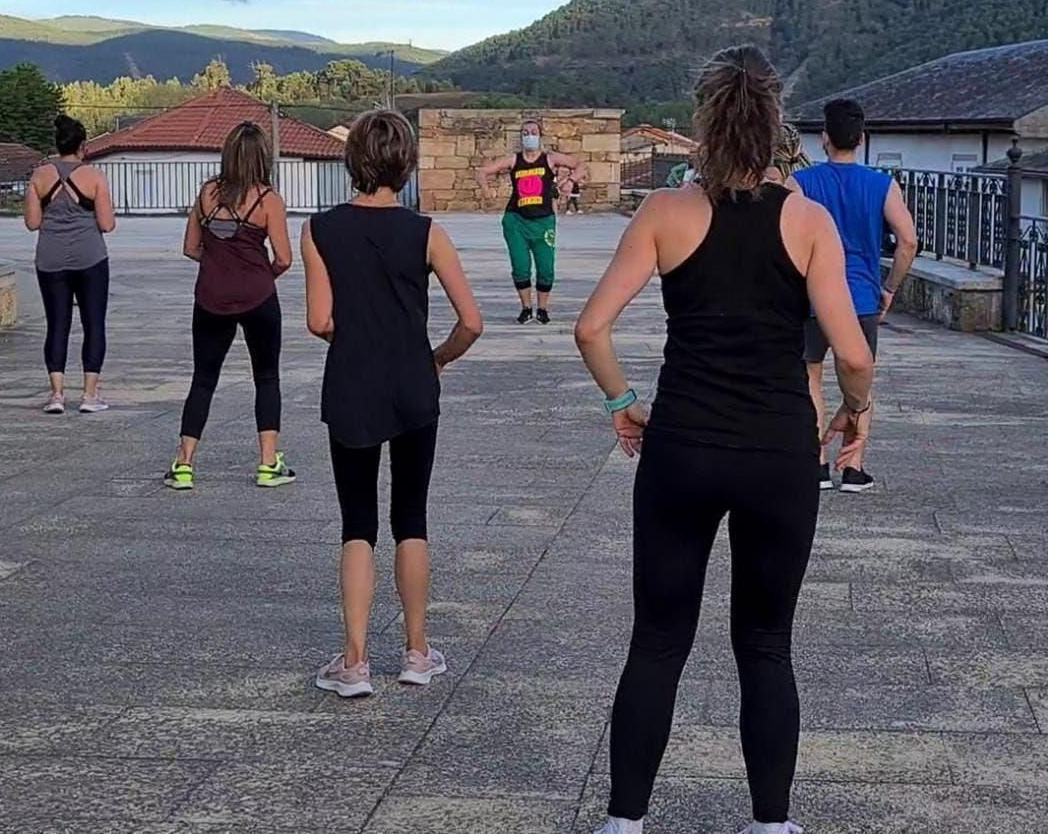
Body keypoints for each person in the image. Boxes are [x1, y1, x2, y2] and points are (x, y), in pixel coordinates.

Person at [574, 45, 875, 834]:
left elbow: (591, 327)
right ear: (777, 125)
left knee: (659, 640)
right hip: (779, 450)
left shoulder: (666, 214)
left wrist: (625, 401)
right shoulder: (807, 221)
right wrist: (851, 412)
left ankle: (624, 822)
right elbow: (852, 352)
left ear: (704, 124)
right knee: (767, 645)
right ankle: (771, 824)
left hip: (682, 447)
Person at [302, 110, 483, 699]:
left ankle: (353, 664)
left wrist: (360, 339)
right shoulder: (428, 232)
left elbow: (319, 320)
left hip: (352, 381)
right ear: (406, 166)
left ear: (352, 161)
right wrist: (436, 359)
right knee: (412, 516)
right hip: (413, 385)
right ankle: (416, 650)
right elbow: (471, 322)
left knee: (357, 521)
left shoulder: (319, 230)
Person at [788, 98, 917, 493]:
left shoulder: (802, 183)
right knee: (860, 380)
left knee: (810, 374)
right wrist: (889, 288)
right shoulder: (882, 184)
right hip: (861, 298)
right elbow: (908, 241)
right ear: (861, 139)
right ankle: (854, 466)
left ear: (824, 138)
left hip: (811, 298)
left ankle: (817, 464)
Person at [165, 122, 296, 490]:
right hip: (259, 297)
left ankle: (184, 464)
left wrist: (220, 265)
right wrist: (259, 273)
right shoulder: (269, 200)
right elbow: (284, 258)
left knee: (203, 379)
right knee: (266, 377)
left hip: (210, 297)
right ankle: (269, 464)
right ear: (261, 158)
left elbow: (191, 248)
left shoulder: (207, 194)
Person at [25, 113, 116, 414]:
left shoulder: (39, 176)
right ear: (83, 146)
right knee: (94, 324)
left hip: (50, 259)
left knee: (57, 325)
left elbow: (32, 222)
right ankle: (90, 395)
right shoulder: (94, 177)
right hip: (90, 257)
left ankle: (56, 394)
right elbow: (107, 224)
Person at [476, 119, 583, 324]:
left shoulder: (549, 159)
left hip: (543, 221)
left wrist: (571, 181)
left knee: (546, 267)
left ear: (540, 135)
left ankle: (542, 308)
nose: (529, 135)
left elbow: (580, 165)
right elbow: (483, 171)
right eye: (525, 132)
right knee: (520, 266)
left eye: (533, 131)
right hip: (516, 220)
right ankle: (526, 307)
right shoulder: (514, 160)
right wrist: (486, 190)